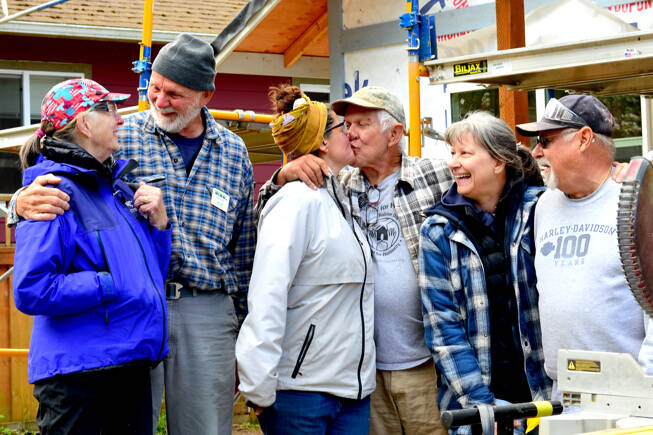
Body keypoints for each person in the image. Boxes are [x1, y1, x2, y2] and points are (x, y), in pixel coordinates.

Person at [10, 33, 256, 434]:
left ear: (205, 97)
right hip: (126, 315)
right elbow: (55, 171)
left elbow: (244, 246)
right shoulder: (121, 134)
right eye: (154, 87)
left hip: (206, 309)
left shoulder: (233, 150)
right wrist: (16, 205)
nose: (158, 101)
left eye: (174, 94)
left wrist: (240, 323)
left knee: (204, 428)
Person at [257, 86, 451, 435]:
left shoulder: (434, 175)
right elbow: (269, 213)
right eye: (346, 125)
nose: (351, 133)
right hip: (365, 374)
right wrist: (284, 173)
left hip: (426, 365)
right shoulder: (339, 182)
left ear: (394, 134)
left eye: (362, 124)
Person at [12, 78, 171, 434]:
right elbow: (32, 288)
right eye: (111, 110)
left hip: (128, 366)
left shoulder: (116, 190)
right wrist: (106, 284)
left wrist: (160, 229)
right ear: (84, 123)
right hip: (80, 378)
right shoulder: (52, 192)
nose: (121, 120)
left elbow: (151, 279)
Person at [236, 84, 375, 434]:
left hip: (353, 393)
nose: (351, 134)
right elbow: (268, 293)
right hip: (301, 395)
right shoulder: (296, 202)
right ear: (324, 142)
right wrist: (258, 386)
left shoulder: (339, 196)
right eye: (343, 127)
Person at [419, 112, 551, 434]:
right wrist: (483, 406)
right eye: (452, 153)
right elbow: (443, 330)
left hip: (545, 400)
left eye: (465, 153)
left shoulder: (542, 211)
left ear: (498, 162)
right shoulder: (437, 231)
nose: (453, 163)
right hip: (476, 410)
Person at [517, 94, 653, 402]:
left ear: (584, 138)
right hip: (563, 396)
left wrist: (643, 394)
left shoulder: (635, 201)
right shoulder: (545, 205)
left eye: (545, 140)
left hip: (628, 399)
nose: (536, 151)